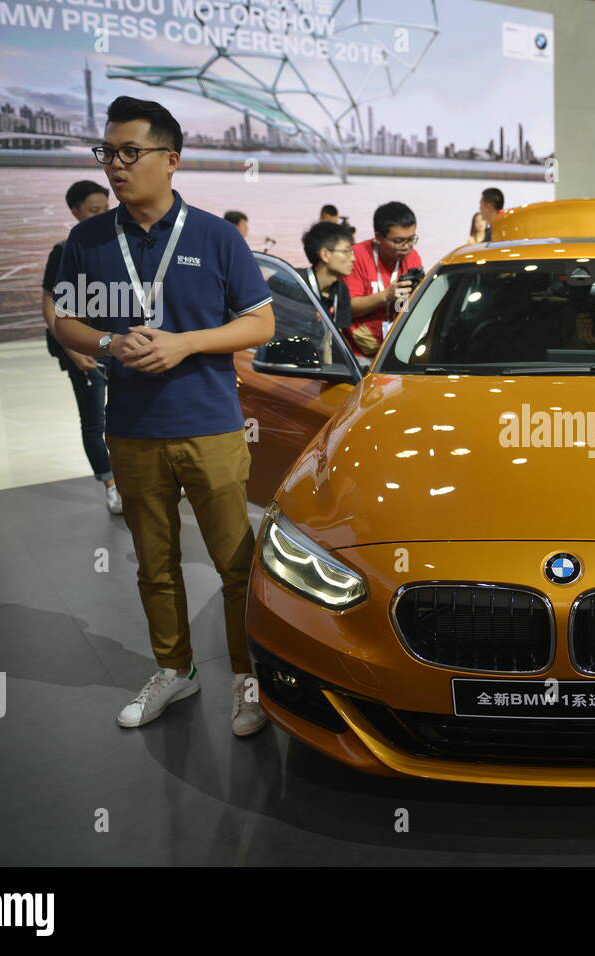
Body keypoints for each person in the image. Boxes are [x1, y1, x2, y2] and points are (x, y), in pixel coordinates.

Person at [50, 95, 276, 736]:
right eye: (107, 153)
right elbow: (65, 318)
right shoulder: (88, 240)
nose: (115, 166)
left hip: (210, 425)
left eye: (130, 152)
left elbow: (261, 321)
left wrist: (185, 342)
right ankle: (175, 670)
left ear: (170, 160)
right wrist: (107, 343)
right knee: (155, 564)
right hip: (132, 430)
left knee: (236, 563)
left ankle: (247, 677)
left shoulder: (215, 235)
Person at [41, 180, 121, 514]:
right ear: (75, 212)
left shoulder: (119, 245)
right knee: (94, 419)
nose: (102, 216)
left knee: (124, 413)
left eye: (105, 209)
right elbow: (49, 302)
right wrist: (72, 349)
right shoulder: (65, 249)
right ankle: (111, 486)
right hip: (79, 346)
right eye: (93, 211)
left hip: (115, 343)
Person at [345, 200, 423, 358]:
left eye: (411, 239)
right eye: (398, 241)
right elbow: (347, 308)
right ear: (378, 237)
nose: (407, 247)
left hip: (396, 350)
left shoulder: (412, 257)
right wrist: (385, 296)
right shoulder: (356, 257)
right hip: (359, 354)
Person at [298, 220, 355, 333]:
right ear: (325, 255)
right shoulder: (295, 282)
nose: (353, 258)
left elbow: (336, 336)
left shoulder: (341, 290)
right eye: (346, 251)